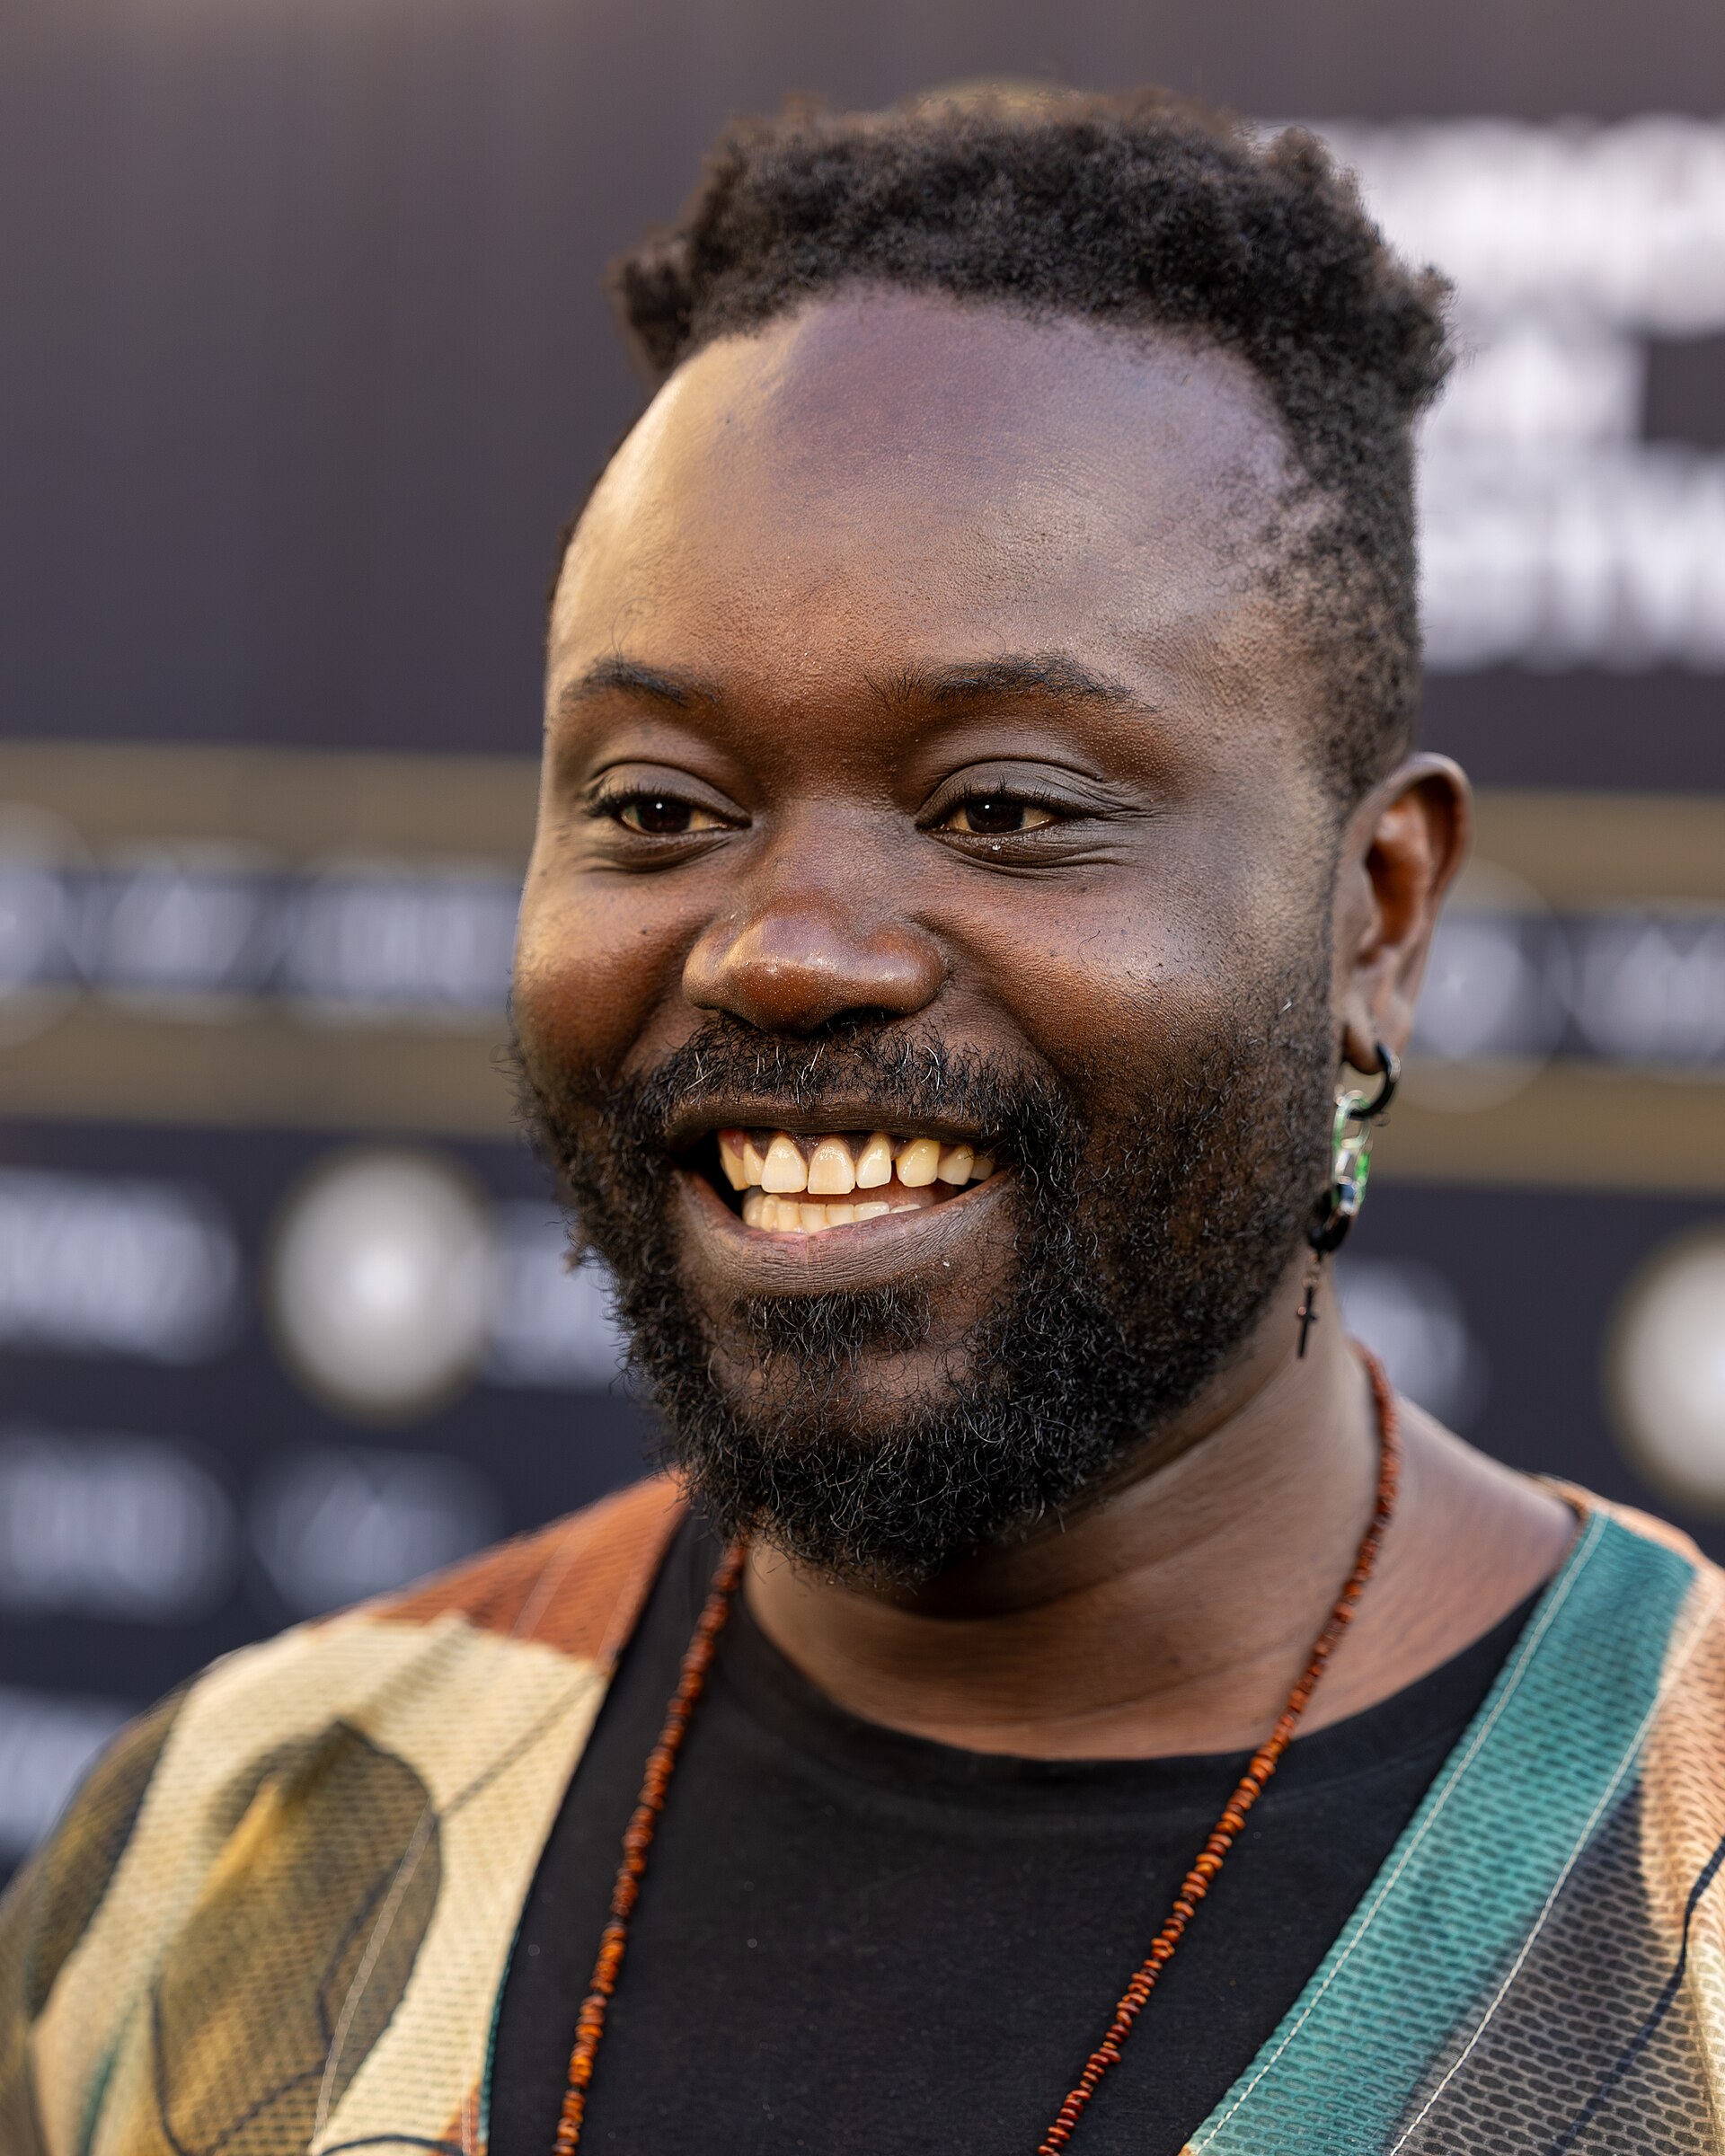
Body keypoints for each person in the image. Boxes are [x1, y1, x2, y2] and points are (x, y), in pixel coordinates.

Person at [4, 85, 1722, 2156]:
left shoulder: (1685, 1894)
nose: (787, 952)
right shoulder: (236, 1858)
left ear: (1376, 919)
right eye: (660, 807)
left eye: (1006, 806)